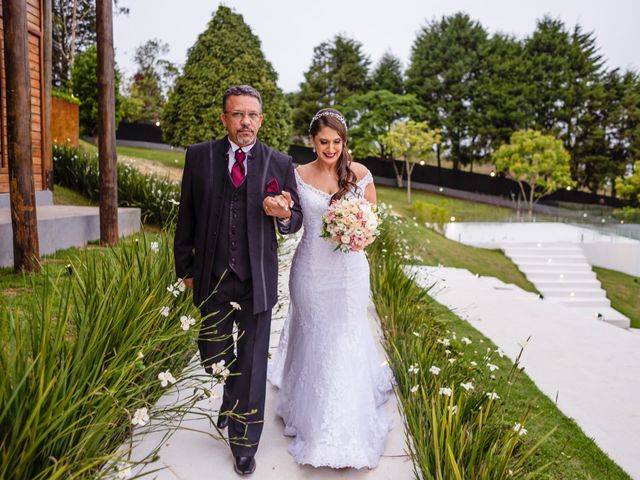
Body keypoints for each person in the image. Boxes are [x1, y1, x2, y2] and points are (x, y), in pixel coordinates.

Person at [174, 85, 303, 476]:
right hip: (211, 277)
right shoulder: (199, 157)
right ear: (224, 118)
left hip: (255, 281)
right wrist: (185, 270)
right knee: (213, 353)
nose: (245, 122)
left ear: (261, 119)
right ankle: (230, 394)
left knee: (250, 362)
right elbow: (187, 217)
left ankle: (245, 445)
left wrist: (283, 214)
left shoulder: (279, 163)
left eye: (252, 115)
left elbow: (295, 220)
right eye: (237, 114)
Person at [268, 108, 393, 469]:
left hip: (350, 273)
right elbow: (291, 219)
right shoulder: (297, 174)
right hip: (310, 269)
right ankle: (307, 412)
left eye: (337, 142)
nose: (331, 148)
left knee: (343, 339)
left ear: (344, 141)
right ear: (312, 141)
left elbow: (372, 224)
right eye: (324, 141)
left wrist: (355, 231)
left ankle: (343, 424)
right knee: (315, 336)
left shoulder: (360, 174)